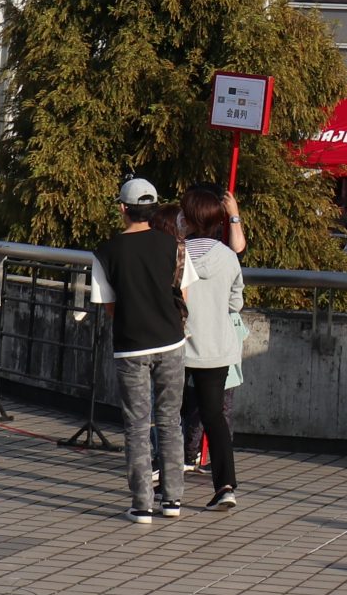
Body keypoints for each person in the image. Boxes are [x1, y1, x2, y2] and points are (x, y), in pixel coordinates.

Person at [91, 178, 196, 523]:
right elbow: (185, 293)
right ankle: (174, 501)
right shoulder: (175, 246)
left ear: (122, 208)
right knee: (170, 421)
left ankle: (141, 505)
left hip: (130, 345)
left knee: (137, 425)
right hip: (171, 342)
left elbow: (108, 306)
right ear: (153, 210)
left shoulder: (105, 252)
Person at [176, 184, 247, 512]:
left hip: (178, 344)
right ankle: (226, 485)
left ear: (187, 218)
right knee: (214, 417)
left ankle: (167, 482)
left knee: (170, 413)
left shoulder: (176, 254)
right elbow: (236, 302)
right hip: (217, 347)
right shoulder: (228, 258)